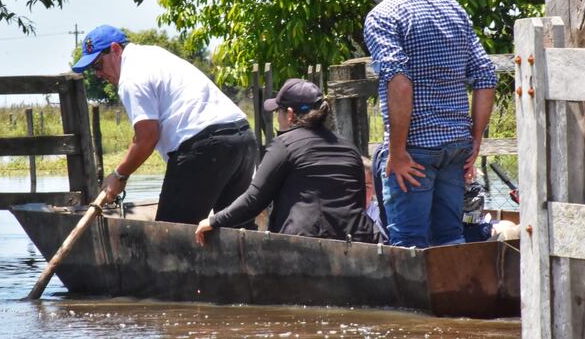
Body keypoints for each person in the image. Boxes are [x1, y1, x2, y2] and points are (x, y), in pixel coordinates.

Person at [352, 0, 497, 248]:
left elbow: (400, 83)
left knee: (409, 244)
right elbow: (485, 75)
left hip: (414, 150)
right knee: (451, 238)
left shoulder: (382, 15)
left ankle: (411, 299)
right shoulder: (452, 7)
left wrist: (399, 150)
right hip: (456, 146)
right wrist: (475, 140)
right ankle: (454, 295)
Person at [72, 25, 258, 227]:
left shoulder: (130, 77)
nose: (98, 74)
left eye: (98, 65)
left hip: (206, 146)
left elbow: (147, 137)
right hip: (242, 138)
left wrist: (119, 175)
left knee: (171, 236)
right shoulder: (154, 54)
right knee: (238, 232)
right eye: (93, 70)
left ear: (116, 50)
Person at [194, 78, 375, 245]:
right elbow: (358, 203)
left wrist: (213, 220)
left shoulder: (285, 144)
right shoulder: (350, 149)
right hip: (357, 240)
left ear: (289, 114)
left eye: (277, 112)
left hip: (304, 244)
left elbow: (254, 200)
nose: (277, 118)